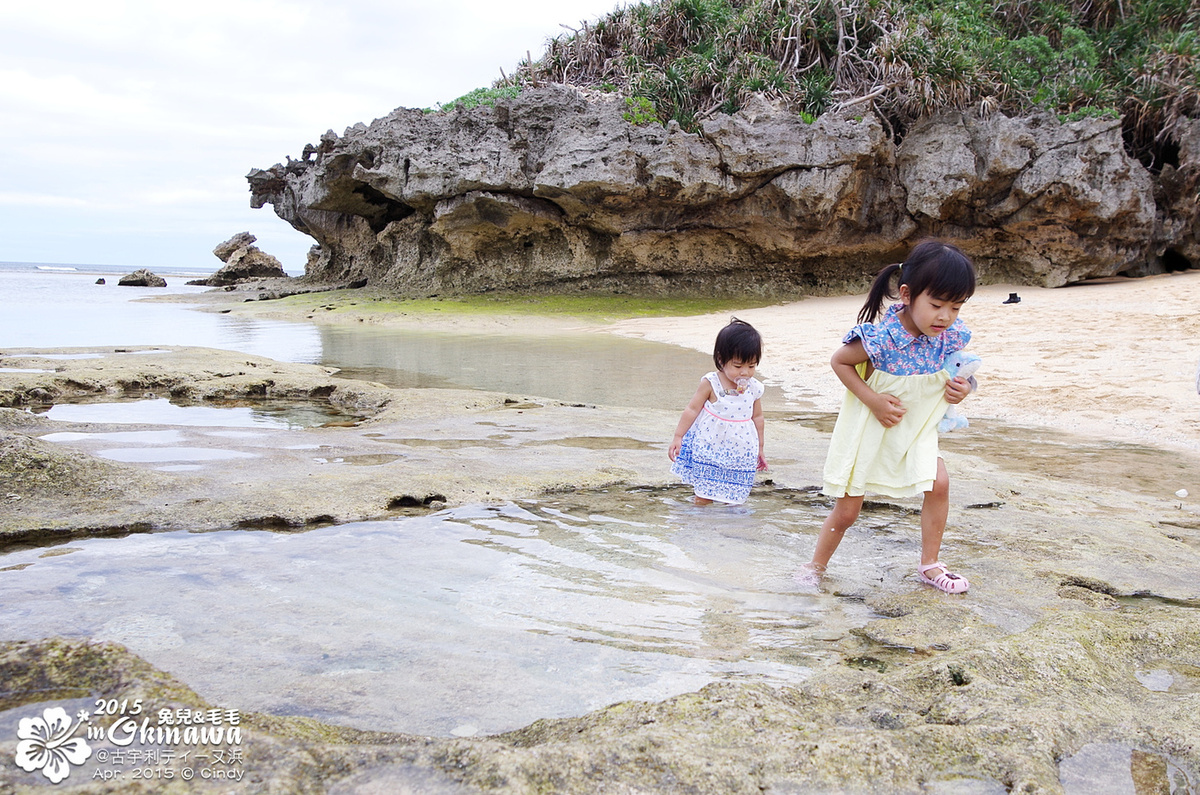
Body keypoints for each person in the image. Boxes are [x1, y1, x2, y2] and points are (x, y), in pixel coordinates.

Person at [807, 240, 977, 592]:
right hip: (871, 425)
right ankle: (814, 568)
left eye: (956, 307)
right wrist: (873, 400)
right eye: (936, 305)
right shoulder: (883, 337)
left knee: (939, 483)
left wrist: (966, 388)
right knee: (849, 510)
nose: (945, 316)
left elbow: (961, 371)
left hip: (916, 429)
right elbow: (840, 361)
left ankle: (930, 564)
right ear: (906, 294)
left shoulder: (948, 336)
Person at [669, 318, 767, 506]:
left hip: (740, 450)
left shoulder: (754, 388)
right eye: (738, 366)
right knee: (704, 493)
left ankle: (727, 531)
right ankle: (701, 528)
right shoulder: (711, 383)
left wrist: (760, 449)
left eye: (752, 366)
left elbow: (758, 417)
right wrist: (678, 436)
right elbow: (692, 409)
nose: (745, 372)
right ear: (721, 360)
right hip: (710, 447)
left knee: (735, 499)